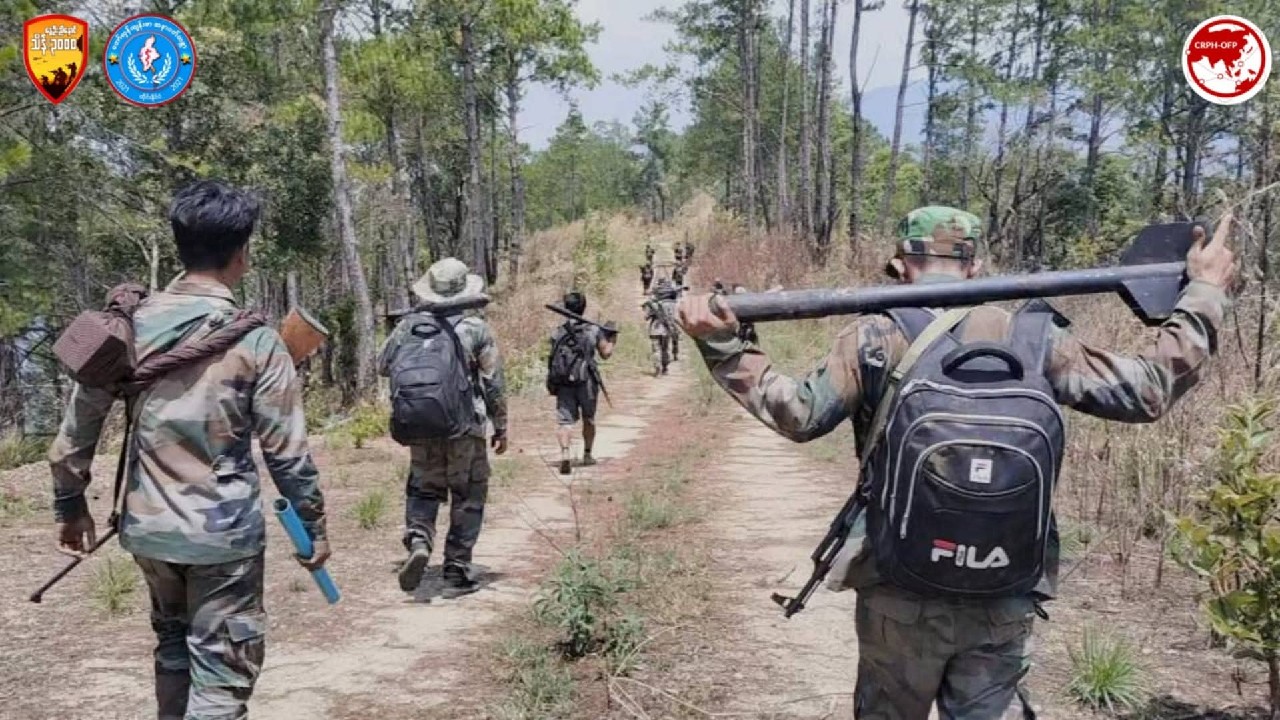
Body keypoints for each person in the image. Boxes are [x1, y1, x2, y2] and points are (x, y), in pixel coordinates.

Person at [677, 205, 1238, 719]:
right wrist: (1205, 294)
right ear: (975, 267)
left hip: (897, 588)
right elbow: (1148, 390)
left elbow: (799, 414)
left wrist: (724, 346)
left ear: (901, 265)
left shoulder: (876, 336)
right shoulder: (1036, 337)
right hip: (1003, 587)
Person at [48, 179, 331, 720]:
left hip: (149, 531)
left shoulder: (125, 328)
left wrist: (69, 505)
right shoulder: (256, 340)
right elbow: (287, 453)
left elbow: (74, 436)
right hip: (223, 540)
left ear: (180, 245)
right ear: (242, 252)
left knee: (175, 650)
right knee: (222, 676)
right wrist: (313, 527)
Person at [379, 257, 508, 597]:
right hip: (465, 427)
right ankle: (457, 567)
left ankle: (420, 539)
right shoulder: (475, 328)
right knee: (468, 494)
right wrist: (501, 425)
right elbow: (493, 381)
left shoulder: (408, 326)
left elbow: (382, 365)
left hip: (422, 424)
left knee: (423, 488)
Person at [546, 290, 617, 474]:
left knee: (565, 422)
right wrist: (612, 338)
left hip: (564, 382)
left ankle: (565, 453)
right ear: (583, 307)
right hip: (587, 382)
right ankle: (587, 454)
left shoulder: (558, 332)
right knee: (589, 419)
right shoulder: (593, 330)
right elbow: (606, 353)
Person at [644, 279, 680, 375]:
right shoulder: (673, 304)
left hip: (654, 329)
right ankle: (665, 368)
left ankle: (657, 367)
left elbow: (646, 317)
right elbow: (675, 317)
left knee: (656, 349)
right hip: (667, 329)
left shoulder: (652, 303)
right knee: (665, 349)